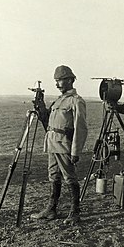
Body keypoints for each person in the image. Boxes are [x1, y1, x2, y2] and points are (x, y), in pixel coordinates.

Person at [31, 65, 88, 225]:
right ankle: (51, 209)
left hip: (64, 145)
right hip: (52, 144)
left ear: (70, 80)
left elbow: (81, 128)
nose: (57, 84)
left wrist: (75, 151)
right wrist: (41, 107)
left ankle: (75, 212)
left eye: (60, 81)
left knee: (69, 177)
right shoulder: (58, 101)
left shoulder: (76, 101)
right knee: (53, 176)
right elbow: (48, 121)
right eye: (56, 81)